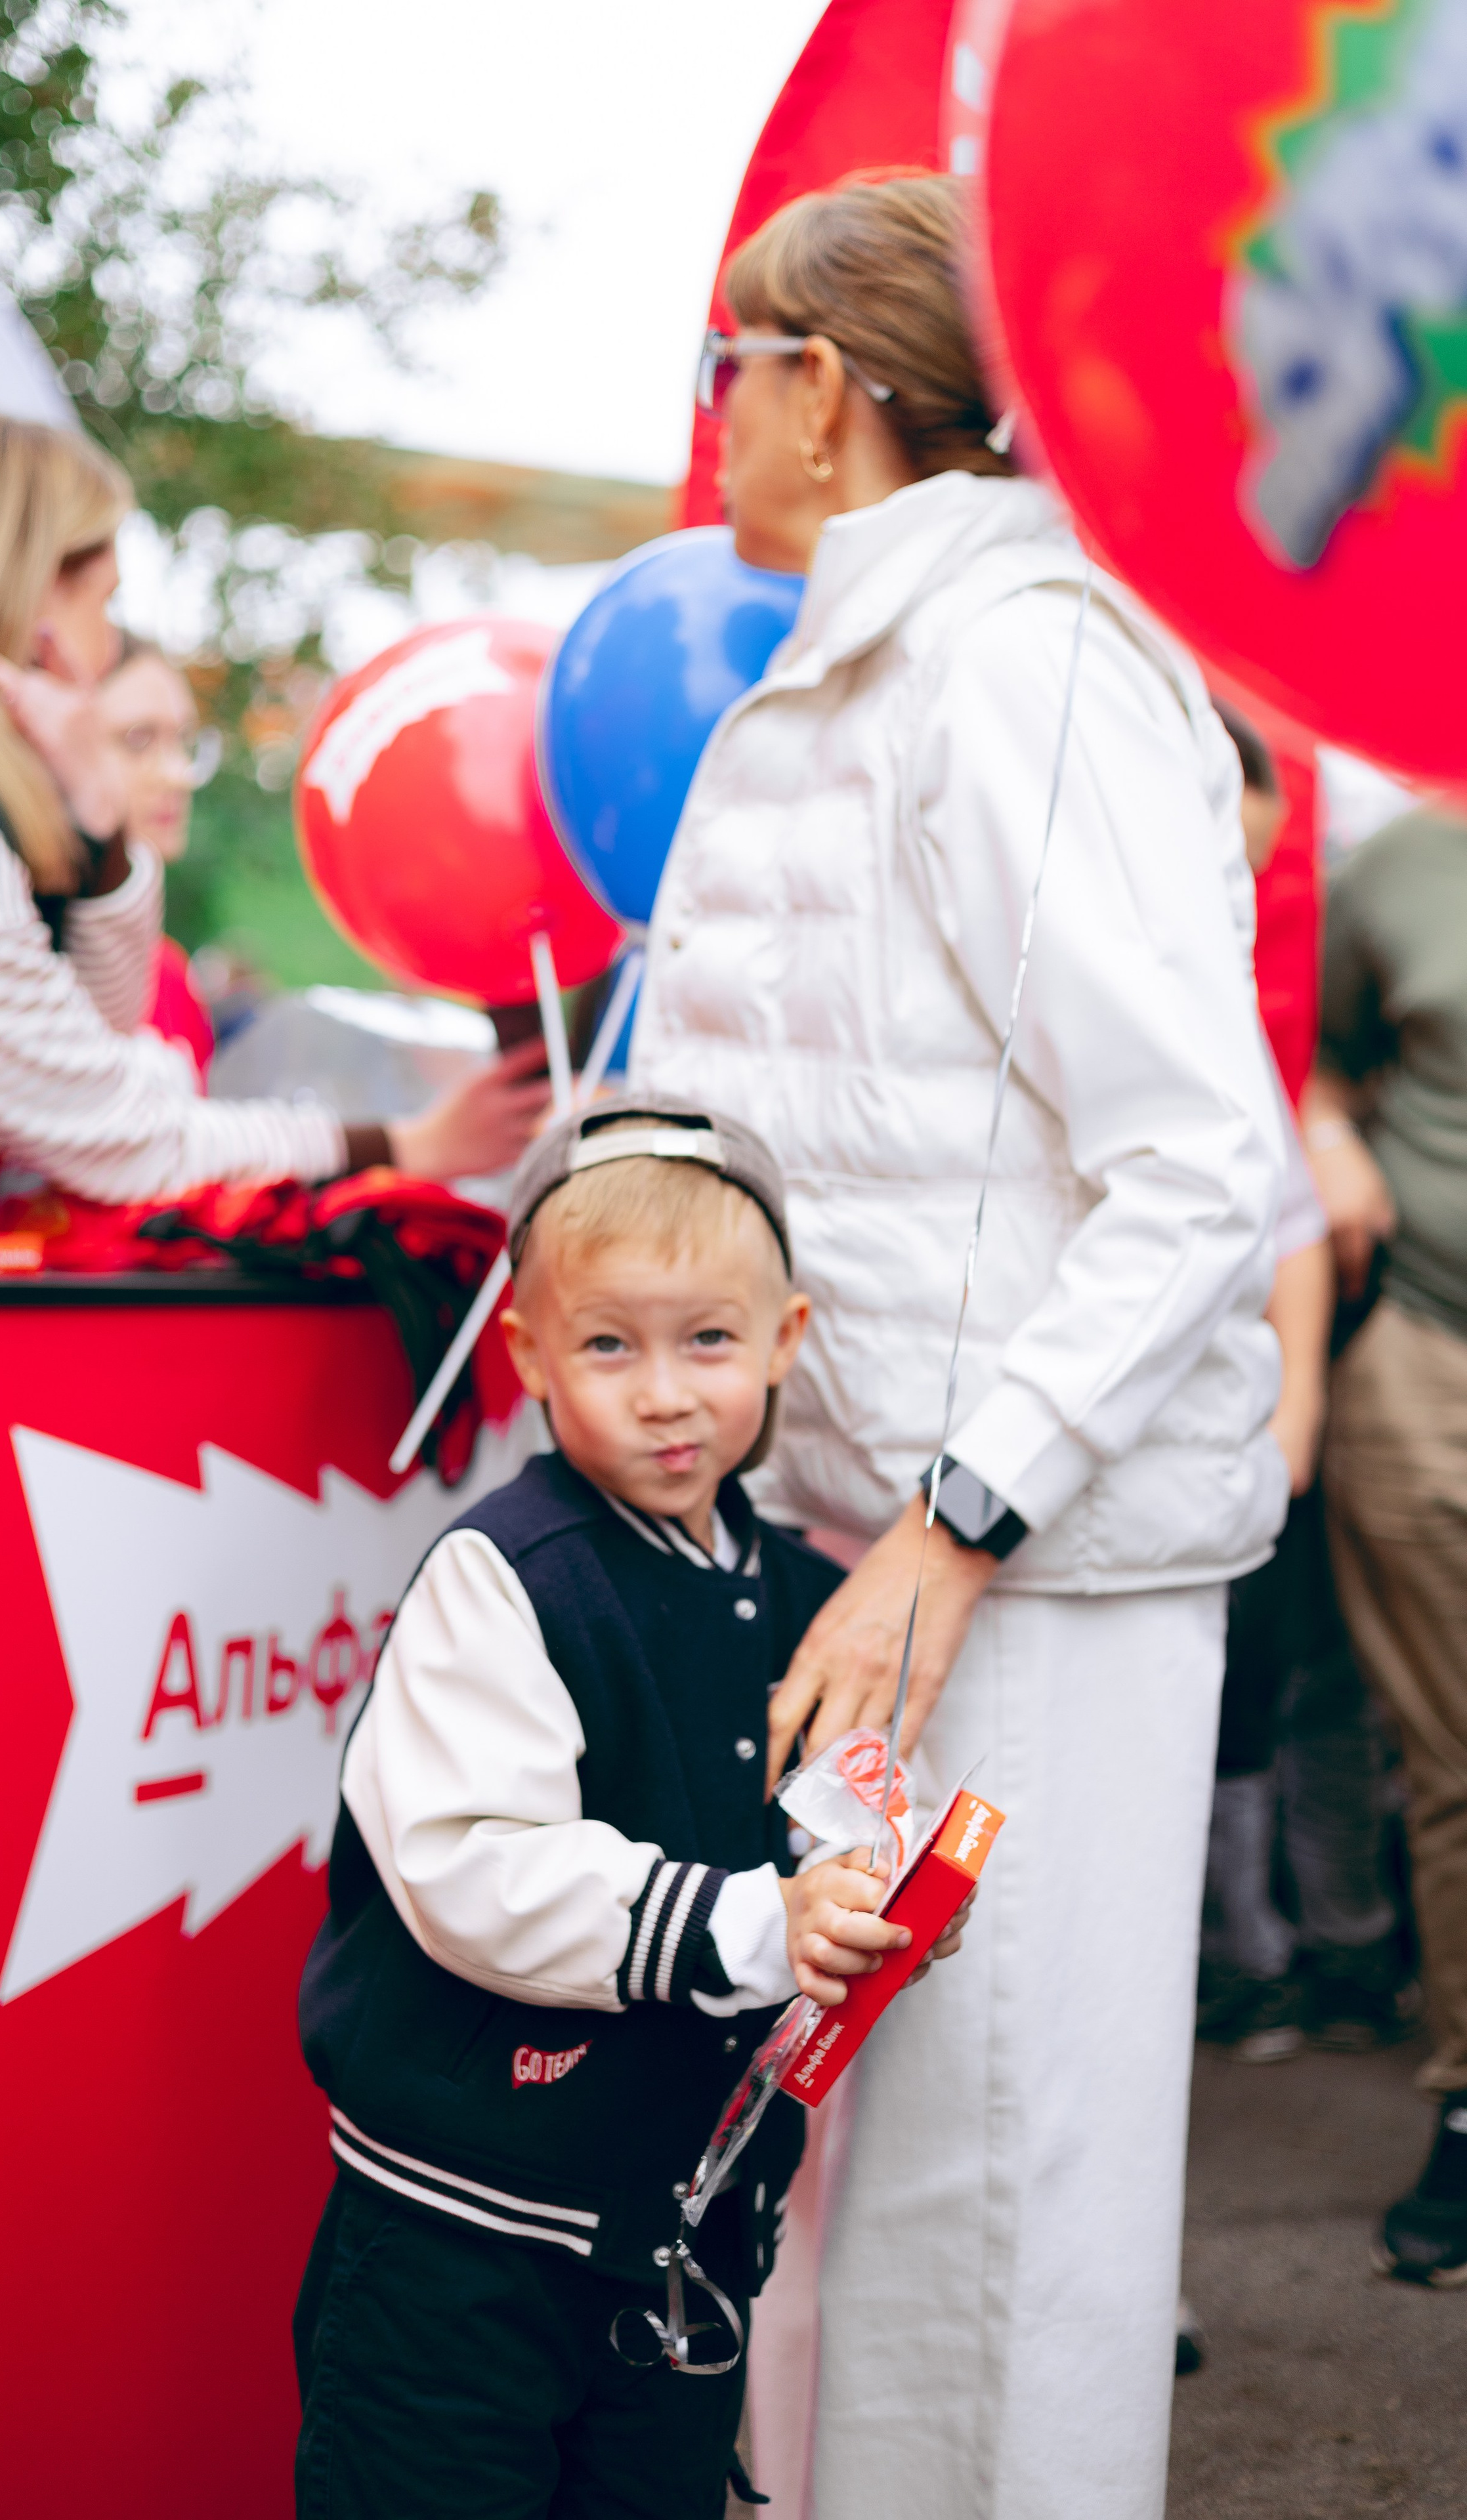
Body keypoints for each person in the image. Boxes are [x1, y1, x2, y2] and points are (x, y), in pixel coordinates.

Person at [627, 175, 1286, 2518]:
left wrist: (953, 1518)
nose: (706, 407)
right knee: (875, 2208)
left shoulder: (1021, 664)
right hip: (873, 1547)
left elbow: (1197, 1159)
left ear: (827, 382)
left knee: (1003, 2220)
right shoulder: (857, 669)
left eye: (730, 356)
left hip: (1027, 1576)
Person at [292, 1094, 968, 2519]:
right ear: (528, 1356)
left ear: (783, 1341)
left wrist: (871, 1905)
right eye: (608, 1345)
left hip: (681, 2243)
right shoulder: (505, 1578)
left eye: (707, 1341)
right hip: (457, 2247)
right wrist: (753, 1923)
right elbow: (474, 1870)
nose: (663, 1390)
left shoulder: (799, 1599)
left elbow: (812, 1832)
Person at [0, 413, 539, 1225]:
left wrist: (98, 815)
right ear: (35, 600)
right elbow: (124, 1141)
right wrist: (400, 1144)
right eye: (104, 603)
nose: (106, 644)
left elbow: (107, 1031)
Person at [1197, 702, 1404, 2068]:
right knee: (1249, 1678)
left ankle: (1334, 1937)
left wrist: (1298, 1422)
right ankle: (1249, 1952)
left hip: (1307, 1365)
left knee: (1323, 1668)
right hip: (1240, 1385)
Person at [97, 633, 553, 1174]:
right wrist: (410, 1146)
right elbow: (141, 1155)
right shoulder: (26, 955)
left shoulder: (170, 980)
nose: (176, 774)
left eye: (184, 744)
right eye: (136, 741)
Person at [1308, 799, 1467, 2286]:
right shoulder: (1397, 862)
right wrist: (1320, 1128)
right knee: (1455, 1762)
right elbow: (1301, 1038)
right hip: (1420, 1352)